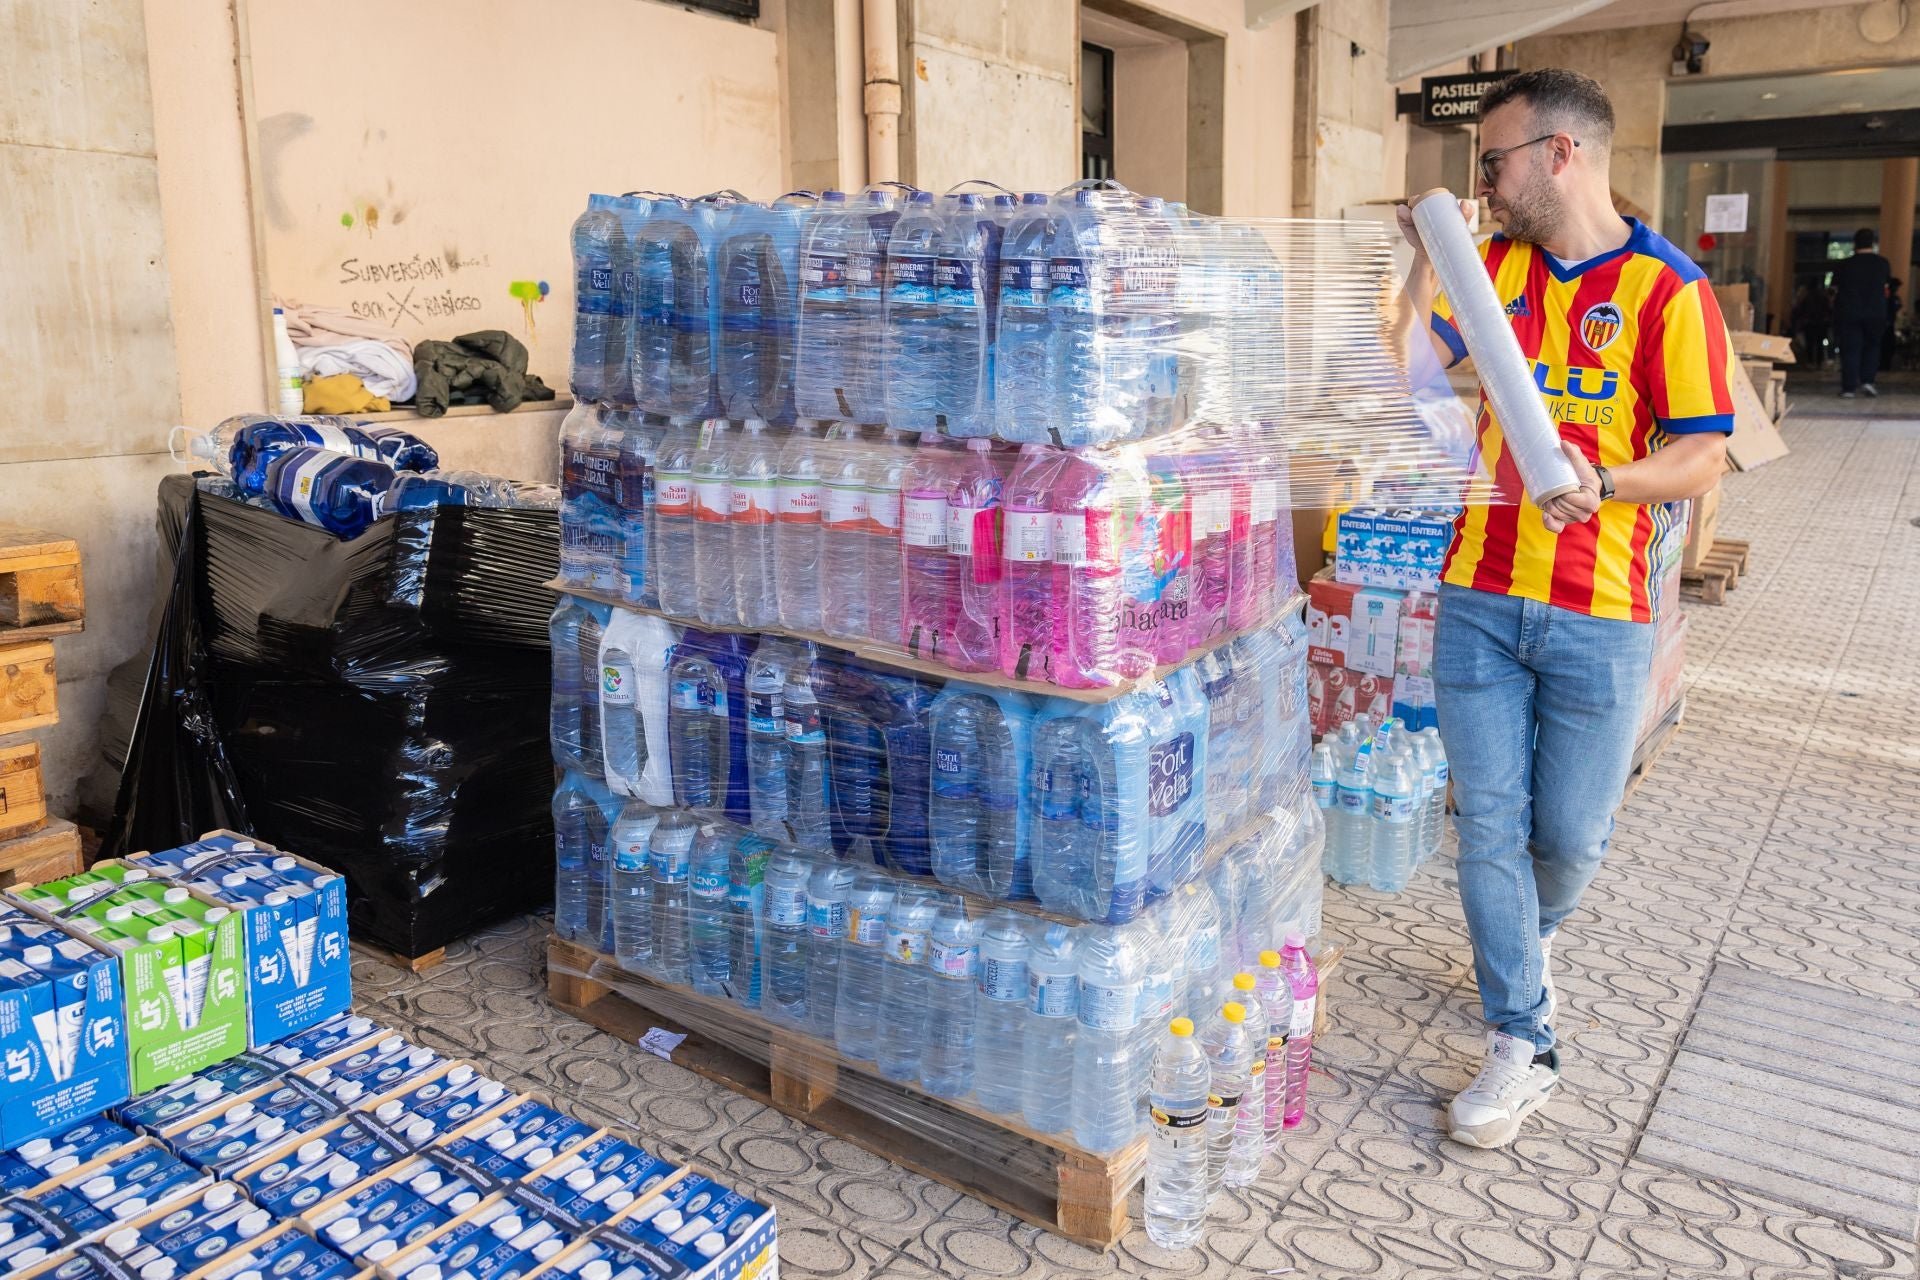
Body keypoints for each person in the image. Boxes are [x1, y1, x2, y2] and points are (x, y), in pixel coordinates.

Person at [1395, 68, 1732, 1150]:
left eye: (1491, 160)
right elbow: (1407, 377)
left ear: (1558, 155)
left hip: (1601, 609)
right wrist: (1415, 273)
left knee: (1571, 837)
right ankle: (1522, 1037)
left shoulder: (1668, 291)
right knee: (1487, 821)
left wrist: (1609, 481)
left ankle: (1519, 941)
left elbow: (1700, 453)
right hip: (1480, 596)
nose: (1482, 183)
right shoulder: (1485, 268)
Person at [1830, 228, 1890, 397]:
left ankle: (1849, 388)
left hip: (1849, 312)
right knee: (1873, 346)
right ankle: (1868, 381)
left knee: (1850, 349)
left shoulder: (1844, 265)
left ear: (1855, 244)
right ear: (1873, 243)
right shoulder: (1883, 264)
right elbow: (1886, 288)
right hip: (1876, 313)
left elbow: (1833, 290)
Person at [1789, 280, 1830, 370]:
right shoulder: (1823, 297)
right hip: (1820, 323)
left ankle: (1811, 362)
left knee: (1810, 344)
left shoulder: (1807, 297)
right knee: (1819, 344)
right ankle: (1819, 362)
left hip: (1810, 323)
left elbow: (1801, 310)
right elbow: (1828, 309)